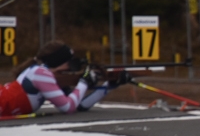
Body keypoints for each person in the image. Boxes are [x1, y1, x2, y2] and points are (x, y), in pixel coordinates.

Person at [0, 41, 131, 117]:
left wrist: (109, 85)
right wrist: (84, 82)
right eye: (69, 62)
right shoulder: (41, 73)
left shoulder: (45, 73)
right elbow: (68, 107)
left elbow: (79, 105)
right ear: (60, 61)